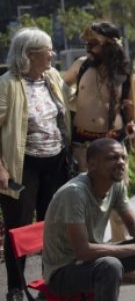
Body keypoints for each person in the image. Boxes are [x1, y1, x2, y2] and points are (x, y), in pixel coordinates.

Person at [61, 22, 135, 284]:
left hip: (113, 145)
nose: (88, 49)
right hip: (83, 147)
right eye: (86, 44)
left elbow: (133, 117)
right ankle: (87, 267)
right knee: (82, 205)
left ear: (110, 46)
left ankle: (128, 268)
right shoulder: (81, 66)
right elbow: (57, 88)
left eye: (93, 44)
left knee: (119, 207)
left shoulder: (128, 76)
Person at [42, 138, 135, 300]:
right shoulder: (74, 193)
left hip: (94, 261)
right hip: (62, 274)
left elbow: (134, 227)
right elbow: (83, 251)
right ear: (92, 165)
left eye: (123, 157)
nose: (121, 162)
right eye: (112, 158)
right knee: (110, 266)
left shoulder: (116, 184)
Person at [0, 28, 70, 301]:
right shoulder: (7, 84)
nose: (52, 53)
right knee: (18, 228)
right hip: (23, 167)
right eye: (48, 49)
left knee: (52, 226)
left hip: (55, 163)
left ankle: (49, 283)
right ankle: (16, 288)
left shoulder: (51, 77)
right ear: (30, 54)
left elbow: (69, 107)